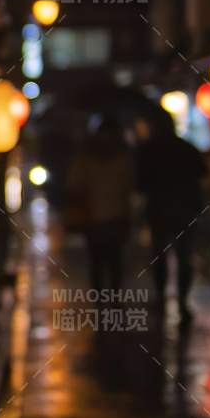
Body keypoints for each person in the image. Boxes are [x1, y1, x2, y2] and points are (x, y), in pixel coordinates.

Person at [138, 116, 209, 321]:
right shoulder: (186, 148)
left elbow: (140, 183)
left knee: (160, 256)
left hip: (159, 210)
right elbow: (202, 172)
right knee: (184, 257)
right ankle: (182, 302)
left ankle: (162, 299)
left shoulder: (149, 151)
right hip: (185, 210)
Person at [66, 114, 134, 293]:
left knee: (105, 260)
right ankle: (109, 297)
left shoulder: (90, 158)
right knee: (109, 260)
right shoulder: (120, 157)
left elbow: (74, 184)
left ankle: (105, 298)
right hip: (103, 215)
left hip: (102, 216)